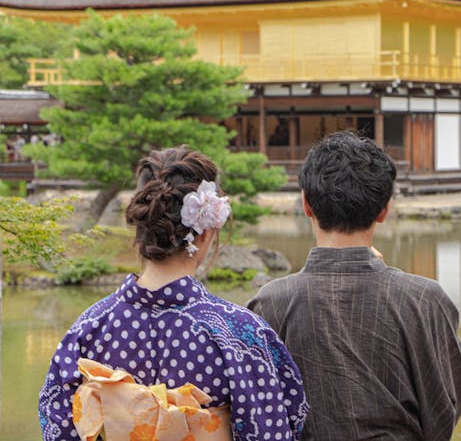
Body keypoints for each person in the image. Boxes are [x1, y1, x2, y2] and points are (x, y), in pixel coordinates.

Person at [39, 146, 308, 441]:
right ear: (205, 232)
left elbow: (57, 425)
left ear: (141, 228)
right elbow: (275, 427)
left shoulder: (88, 329)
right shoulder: (240, 333)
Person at [248, 131, 461, 441]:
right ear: (384, 209)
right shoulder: (423, 299)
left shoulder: (270, 302)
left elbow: (258, 410)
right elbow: (444, 404)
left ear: (306, 204)